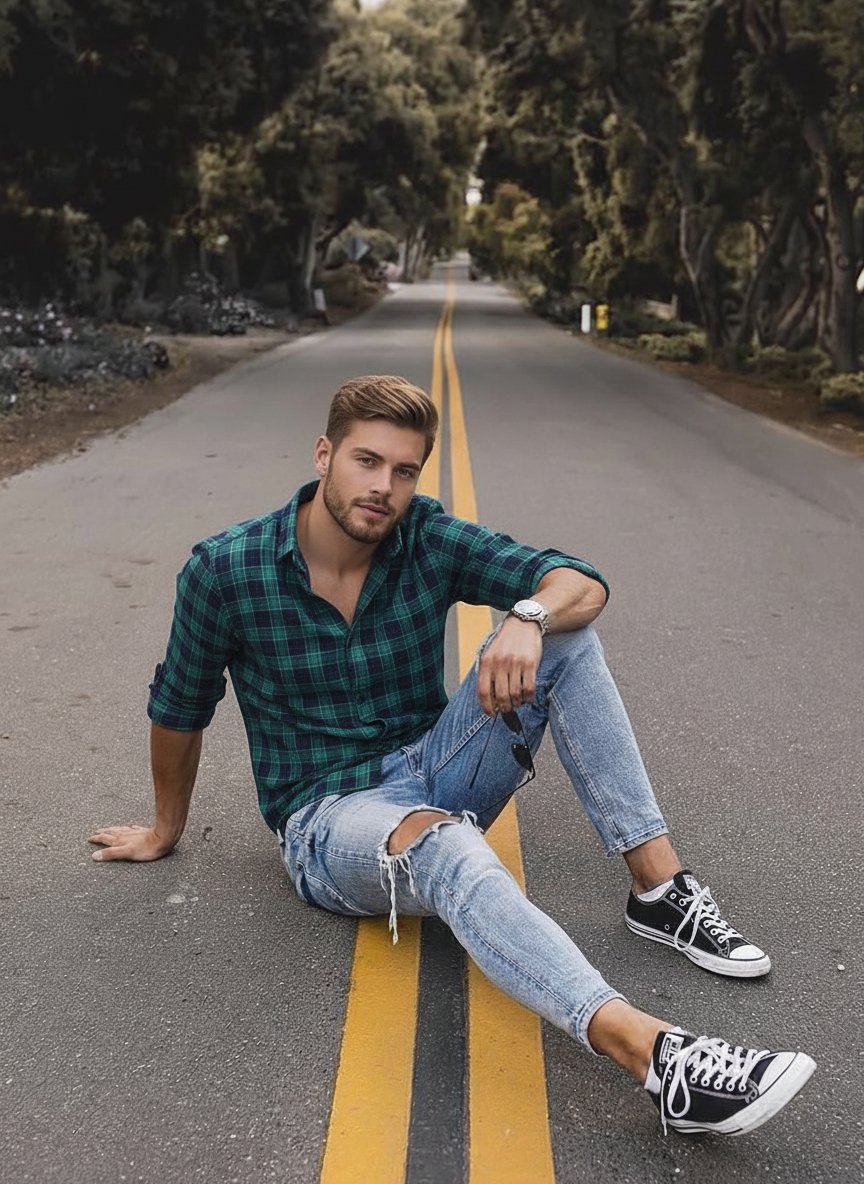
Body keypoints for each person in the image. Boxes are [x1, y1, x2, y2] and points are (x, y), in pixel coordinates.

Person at [89, 374, 815, 1137]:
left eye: (404, 471)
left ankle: (658, 891)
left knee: (566, 635)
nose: (384, 487)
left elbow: (581, 581)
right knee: (449, 846)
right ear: (324, 454)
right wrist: (165, 828)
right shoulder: (227, 570)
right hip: (330, 819)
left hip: (434, 763)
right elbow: (180, 706)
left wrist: (529, 615)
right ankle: (655, 1055)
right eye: (367, 462)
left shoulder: (425, 537)